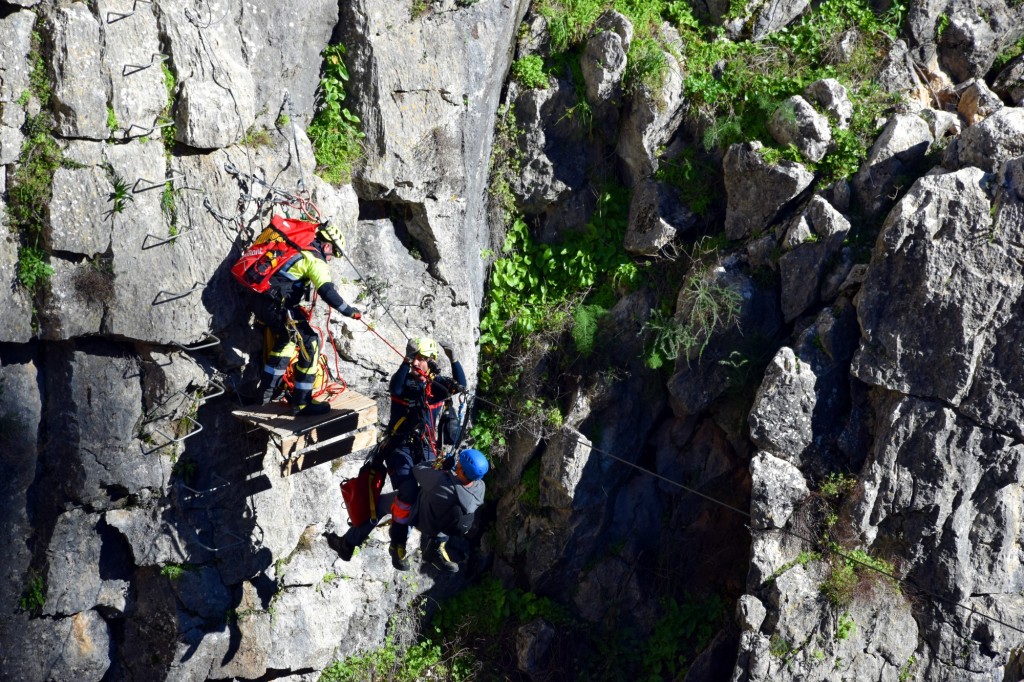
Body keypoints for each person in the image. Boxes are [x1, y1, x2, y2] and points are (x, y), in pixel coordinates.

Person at [326, 336, 466, 568]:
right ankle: (397, 544)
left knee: (438, 492)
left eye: (422, 359)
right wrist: (406, 359)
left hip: (426, 448)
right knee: (409, 490)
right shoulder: (405, 383)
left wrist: (456, 359)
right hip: (399, 446)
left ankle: (435, 546)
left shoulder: (437, 387)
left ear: (430, 363)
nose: (417, 363)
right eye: (416, 358)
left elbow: (461, 386)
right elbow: (395, 387)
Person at [255, 234, 361, 417]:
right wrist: (349, 311)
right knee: (311, 343)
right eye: (332, 253)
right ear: (327, 246)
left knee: (286, 341)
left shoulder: (298, 247)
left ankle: (266, 393)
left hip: (263, 301)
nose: (330, 258)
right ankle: (302, 403)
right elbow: (327, 291)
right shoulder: (315, 260)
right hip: (280, 306)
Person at [413, 448, 488, 573]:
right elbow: (460, 481)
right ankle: (433, 550)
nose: (457, 462)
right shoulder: (480, 486)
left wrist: (440, 466)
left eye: (459, 463)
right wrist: (453, 470)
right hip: (451, 525)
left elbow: (417, 469)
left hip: (428, 522)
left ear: (462, 472)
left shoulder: (444, 486)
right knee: (449, 509)